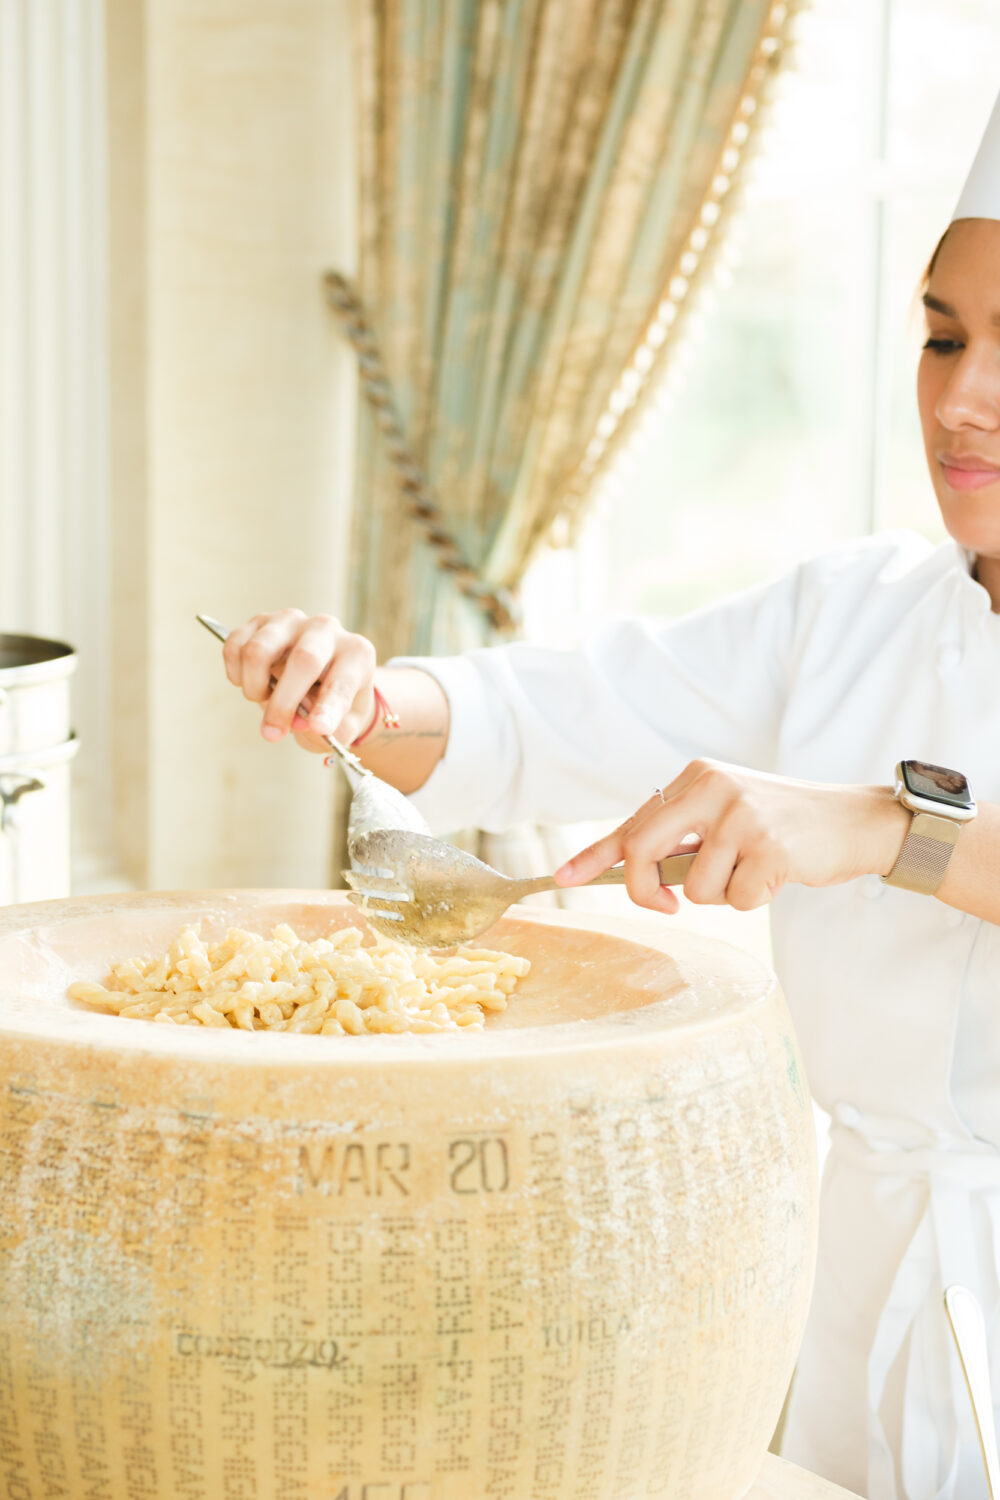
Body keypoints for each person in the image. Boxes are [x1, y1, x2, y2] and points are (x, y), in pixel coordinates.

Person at [219, 92, 1000, 1500]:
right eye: (943, 334)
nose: (959, 397)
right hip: (856, 1310)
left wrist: (887, 827)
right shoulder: (857, 611)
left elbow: (916, 838)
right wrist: (360, 694)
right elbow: (559, 711)